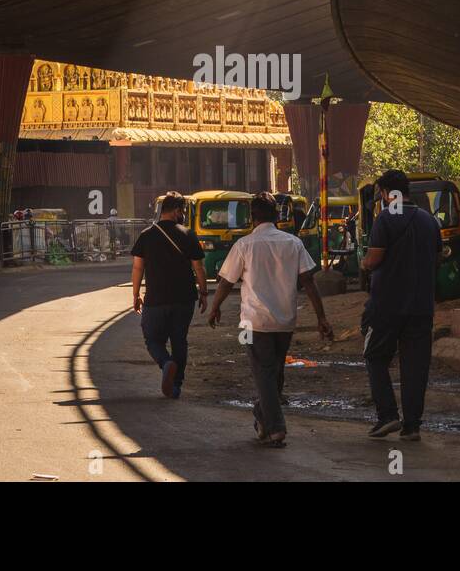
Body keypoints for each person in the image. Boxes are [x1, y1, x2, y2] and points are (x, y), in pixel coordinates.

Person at [209, 192, 333, 448]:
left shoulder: (244, 245)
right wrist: (321, 317)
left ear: (252, 217)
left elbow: (226, 282)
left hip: (254, 323)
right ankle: (262, 417)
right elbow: (308, 281)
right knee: (274, 373)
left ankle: (276, 428)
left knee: (265, 374)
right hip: (285, 321)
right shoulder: (293, 243)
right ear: (277, 216)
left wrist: (214, 307)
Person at [359, 169, 441, 441]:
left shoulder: (386, 218)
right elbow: (437, 256)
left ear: (385, 193)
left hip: (387, 305)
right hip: (421, 306)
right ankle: (412, 425)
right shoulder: (430, 221)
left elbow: (373, 259)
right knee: (415, 367)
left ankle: (388, 415)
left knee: (375, 356)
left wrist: (364, 263)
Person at [130, 192, 207, 398]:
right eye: (181, 210)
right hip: (184, 299)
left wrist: (136, 294)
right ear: (175, 211)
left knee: (153, 339)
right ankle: (176, 386)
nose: (182, 214)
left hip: (156, 299)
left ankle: (166, 363)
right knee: (179, 340)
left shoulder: (146, 235)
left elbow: (138, 268)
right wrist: (204, 292)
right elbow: (199, 268)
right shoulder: (188, 234)